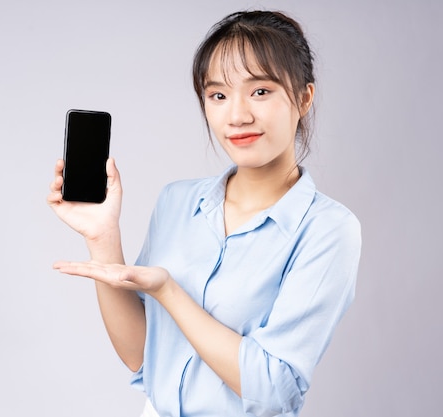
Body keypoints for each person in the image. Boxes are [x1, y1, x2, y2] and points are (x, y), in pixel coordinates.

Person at [48, 10, 361, 417]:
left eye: (260, 91)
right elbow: (141, 357)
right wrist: (102, 239)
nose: (237, 116)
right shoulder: (177, 201)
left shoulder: (328, 229)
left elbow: (273, 393)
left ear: (303, 98)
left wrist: (169, 292)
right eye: (218, 95)